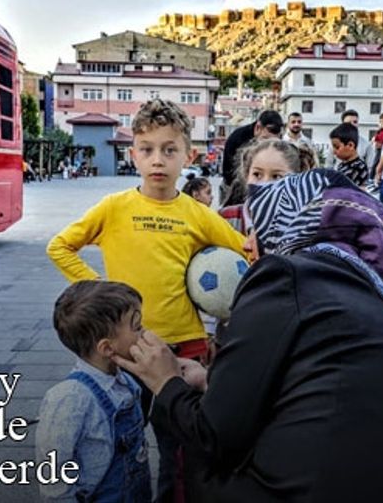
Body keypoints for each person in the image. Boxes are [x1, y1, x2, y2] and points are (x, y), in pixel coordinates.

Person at [115, 170, 383, 502]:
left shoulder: (283, 275)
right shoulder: (373, 287)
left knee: (201, 460)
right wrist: (210, 381)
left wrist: (165, 381)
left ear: (283, 224)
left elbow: (214, 436)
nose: (248, 243)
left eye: (255, 228)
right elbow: (323, 379)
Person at [46, 99, 246, 503]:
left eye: (169, 150)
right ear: (133, 153)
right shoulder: (114, 207)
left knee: (180, 449)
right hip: (127, 349)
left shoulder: (198, 214)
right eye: (148, 149)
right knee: (122, 442)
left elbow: (245, 255)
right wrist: (102, 295)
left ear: (187, 155)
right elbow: (60, 246)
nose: (158, 160)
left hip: (183, 349)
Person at [36, 280, 151, 502]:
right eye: (137, 327)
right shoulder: (70, 399)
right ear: (107, 348)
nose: (145, 333)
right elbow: (54, 474)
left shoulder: (126, 379)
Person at [218, 139, 305, 231]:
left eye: (276, 176)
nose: (264, 184)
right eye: (257, 174)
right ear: (247, 176)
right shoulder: (225, 219)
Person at [219, 110, 284, 198]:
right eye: (265, 139)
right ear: (258, 127)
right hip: (232, 187)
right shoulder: (239, 139)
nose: (268, 145)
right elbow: (232, 174)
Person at [329, 122, 369, 187]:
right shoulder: (341, 165)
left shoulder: (359, 168)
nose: (334, 151)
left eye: (337, 147)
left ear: (350, 145)